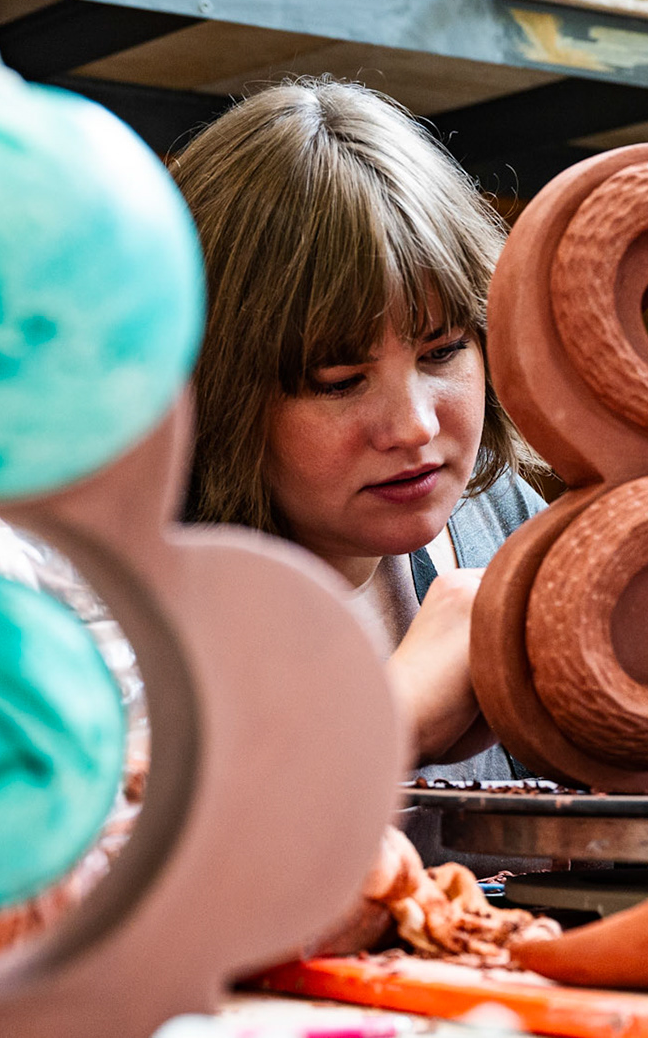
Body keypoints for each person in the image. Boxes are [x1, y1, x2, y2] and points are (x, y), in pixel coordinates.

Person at [169, 77, 551, 781]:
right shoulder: (136, 606)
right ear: (219, 390)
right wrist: (390, 716)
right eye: (339, 381)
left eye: (442, 351)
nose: (413, 426)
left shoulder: (500, 524)